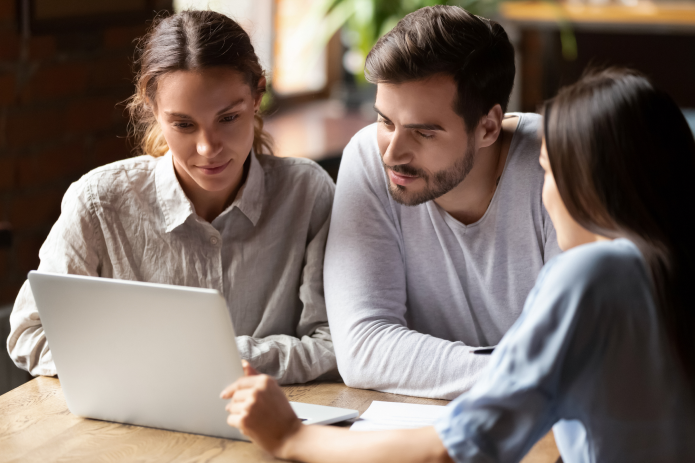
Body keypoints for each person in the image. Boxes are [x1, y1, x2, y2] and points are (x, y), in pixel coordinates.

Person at [220, 68, 695, 462]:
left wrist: (292, 436)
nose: (543, 192)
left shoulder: (592, 275)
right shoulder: (663, 270)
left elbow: (457, 447)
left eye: (548, 171)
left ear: (594, 185)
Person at [7, 10, 337, 385]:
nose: (208, 147)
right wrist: (175, 364)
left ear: (258, 95)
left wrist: (210, 358)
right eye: (183, 124)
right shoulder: (98, 203)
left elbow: (335, 342)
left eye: (228, 118)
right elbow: (30, 333)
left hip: (279, 425)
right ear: (153, 111)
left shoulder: (307, 194)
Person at [325, 6, 560, 400]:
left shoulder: (556, 164)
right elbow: (362, 348)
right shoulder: (368, 156)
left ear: (487, 127)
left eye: (423, 133)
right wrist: (523, 374)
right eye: (385, 121)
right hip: (419, 424)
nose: (393, 153)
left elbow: (573, 359)